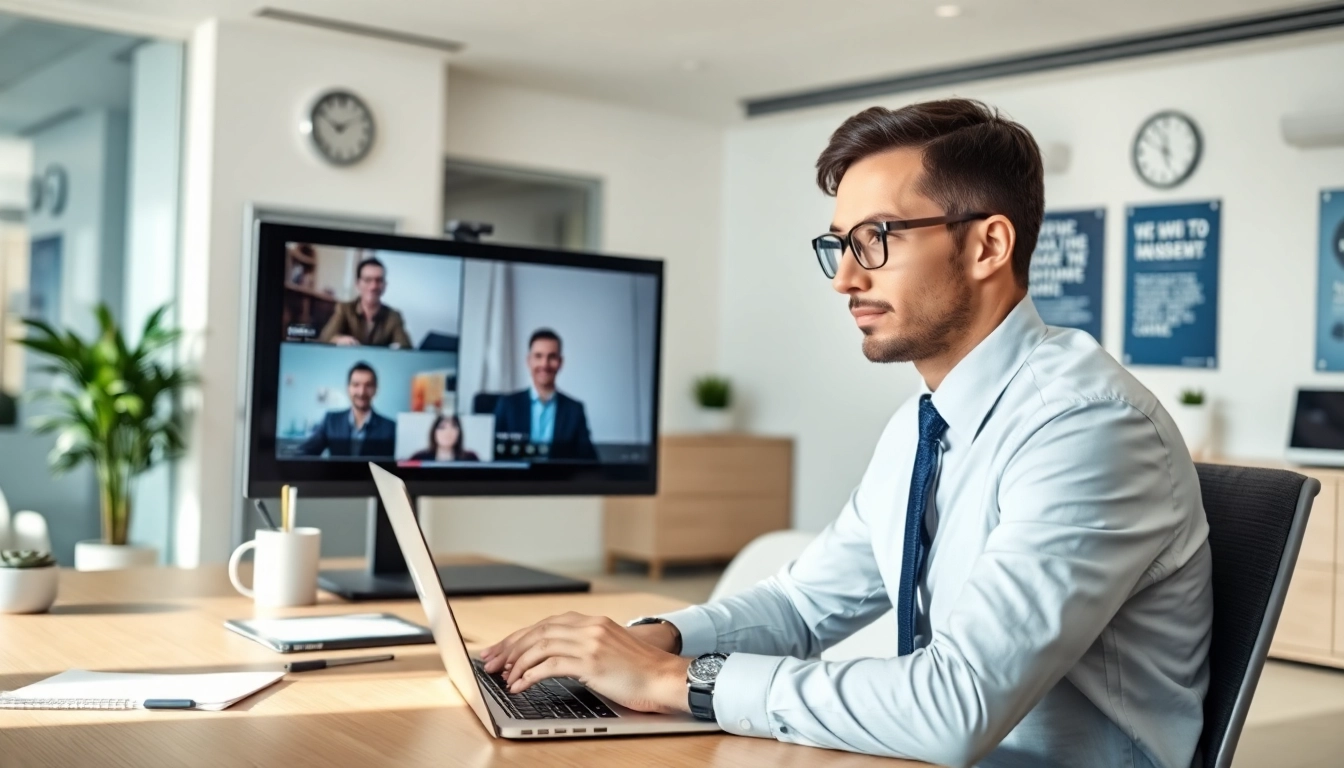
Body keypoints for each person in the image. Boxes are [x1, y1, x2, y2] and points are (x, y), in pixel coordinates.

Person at [479, 100, 1212, 768]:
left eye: (877, 239)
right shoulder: (923, 425)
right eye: (841, 245)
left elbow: (954, 706)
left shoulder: (1086, 428)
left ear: (988, 246)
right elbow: (803, 606)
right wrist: (655, 642)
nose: (844, 280)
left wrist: (676, 681)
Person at [492, 329, 597, 461]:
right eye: (538, 356)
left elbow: (589, 461)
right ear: (529, 361)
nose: (544, 364)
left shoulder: (574, 410)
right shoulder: (507, 405)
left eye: (551, 357)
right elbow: (492, 456)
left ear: (560, 362)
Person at [296, 362, 397, 457]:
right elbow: (303, 453)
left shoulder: (390, 428)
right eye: (356, 385)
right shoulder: (331, 421)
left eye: (368, 385)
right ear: (348, 388)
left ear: (375, 389)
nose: (361, 392)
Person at [319, 256, 412, 348]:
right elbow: (325, 338)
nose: (373, 286)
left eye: (379, 280)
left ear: (385, 285)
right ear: (358, 284)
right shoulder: (344, 309)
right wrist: (339, 340)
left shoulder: (394, 316)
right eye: (368, 280)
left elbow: (406, 347)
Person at [409, 414, 480, 462]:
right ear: (434, 432)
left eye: (453, 427)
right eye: (442, 427)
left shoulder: (470, 459)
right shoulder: (419, 458)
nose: (448, 432)